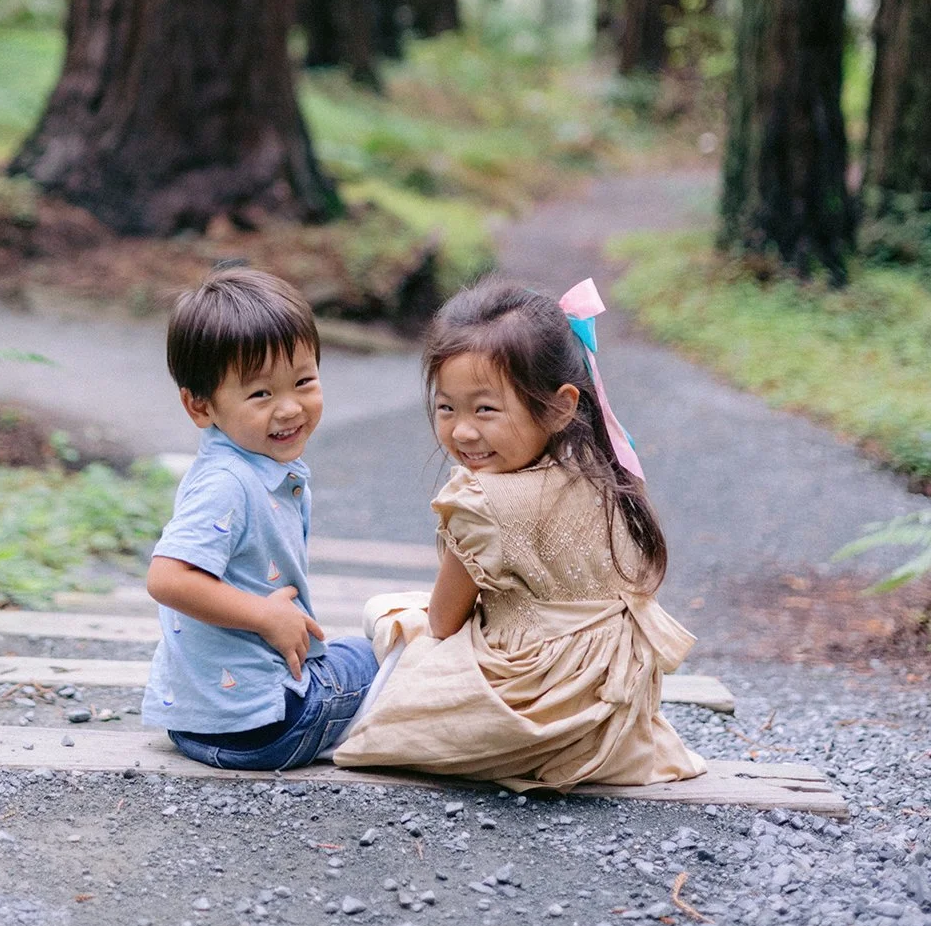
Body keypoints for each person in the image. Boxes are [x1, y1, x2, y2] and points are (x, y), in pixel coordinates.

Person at [334, 274, 706, 791]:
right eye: (447, 408)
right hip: (615, 711)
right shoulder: (601, 472)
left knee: (389, 624)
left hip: (535, 700)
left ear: (558, 407)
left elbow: (443, 621)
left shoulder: (484, 502)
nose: (462, 431)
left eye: (485, 409)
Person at [142, 266, 378, 769]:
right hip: (269, 725)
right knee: (381, 656)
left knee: (362, 654)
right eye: (260, 394)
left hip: (198, 726)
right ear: (200, 405)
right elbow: (166, 578)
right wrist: (264, 616)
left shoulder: (246, 466)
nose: (290, 408)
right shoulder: (228, 482)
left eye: (304, 381)